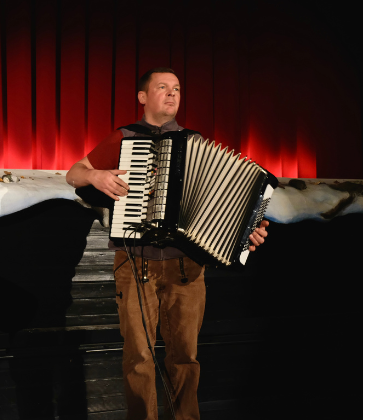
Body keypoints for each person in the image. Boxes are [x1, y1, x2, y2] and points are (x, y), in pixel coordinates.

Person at [66, 68, 269, 420]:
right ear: (143, 97)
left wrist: (245, 230)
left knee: (185, 358)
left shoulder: (196, 143)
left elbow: (222, 206)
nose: (172, 94)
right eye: (162, 87)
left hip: (186, 268)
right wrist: (96, 175)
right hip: (135, 265)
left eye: (176, 88)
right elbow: (74, 172)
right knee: (138, 358)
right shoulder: (125, 137)